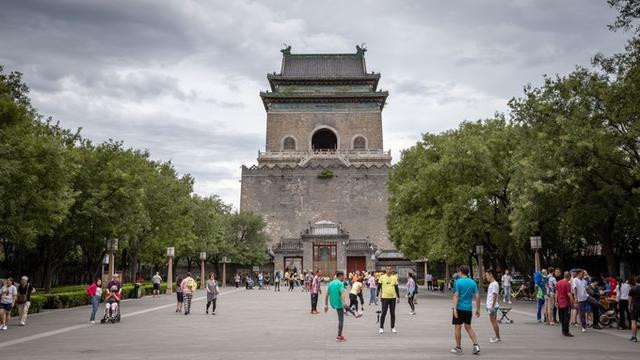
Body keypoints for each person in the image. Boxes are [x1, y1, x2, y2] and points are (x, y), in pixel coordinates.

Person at [450, 265, 480, 355]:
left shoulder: (458, 282)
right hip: (468, 309)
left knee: (458, 327)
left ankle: (458, 348)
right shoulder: (473, 282)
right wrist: (478, 309)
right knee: (468, 327)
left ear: (460, 272)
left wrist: (454, 308)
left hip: (459, 308)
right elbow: (477, 296)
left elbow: (456, 295)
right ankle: (476, 345)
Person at [324, 271, 362, 342]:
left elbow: (326, 294)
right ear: (340, 276)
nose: (344, 278)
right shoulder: (340, 284)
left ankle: (354, 313)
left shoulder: (331, 283)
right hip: (339, 303)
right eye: (343, 276)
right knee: (341, 320)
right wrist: (344, 302)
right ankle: (339, 336)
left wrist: (326, 305)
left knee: (345, 307)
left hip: (332, 302)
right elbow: (342, 294)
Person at [377, 266, 400, 334]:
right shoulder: (382, 277)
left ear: (391, 270)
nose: (388, 270)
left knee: (392, 313)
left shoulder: (394, 277)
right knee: (384, 313)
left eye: (390, 269)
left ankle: (392, 327)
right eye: (387, 269)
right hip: (384, 297)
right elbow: (379, 287)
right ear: (385, 270)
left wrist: (398, 297)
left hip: (393, 297)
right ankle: (381, 328)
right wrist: (376, 295)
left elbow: (396, 288)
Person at [556, 271, 574, 337]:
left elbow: (557, 293)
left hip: (560, 302)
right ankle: (566, 331)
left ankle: (563, 330)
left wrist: (556, 301)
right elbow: (569, 294)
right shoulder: (568, 284)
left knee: (562, 318)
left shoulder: (558, 283)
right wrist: (572, 302)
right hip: (566, 303)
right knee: (567, 318)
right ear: (569, 276)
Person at [485, 269, 501, 343]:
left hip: (492, 306)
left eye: (487, 275)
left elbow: (494, 296)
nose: (486, 277)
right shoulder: (492, 283)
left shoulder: (494, 284)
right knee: (493, 321)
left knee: (493, 322)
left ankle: (498, 337)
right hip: (491, 305)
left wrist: (492, 306)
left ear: (490, 274)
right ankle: (497, 336)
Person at [629, 275, 640, 342]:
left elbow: (630, 299)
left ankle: (634, 337)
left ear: (636, 281)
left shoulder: (633, 288)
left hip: (635, 306)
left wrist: (629, 305)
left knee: (634, 321)